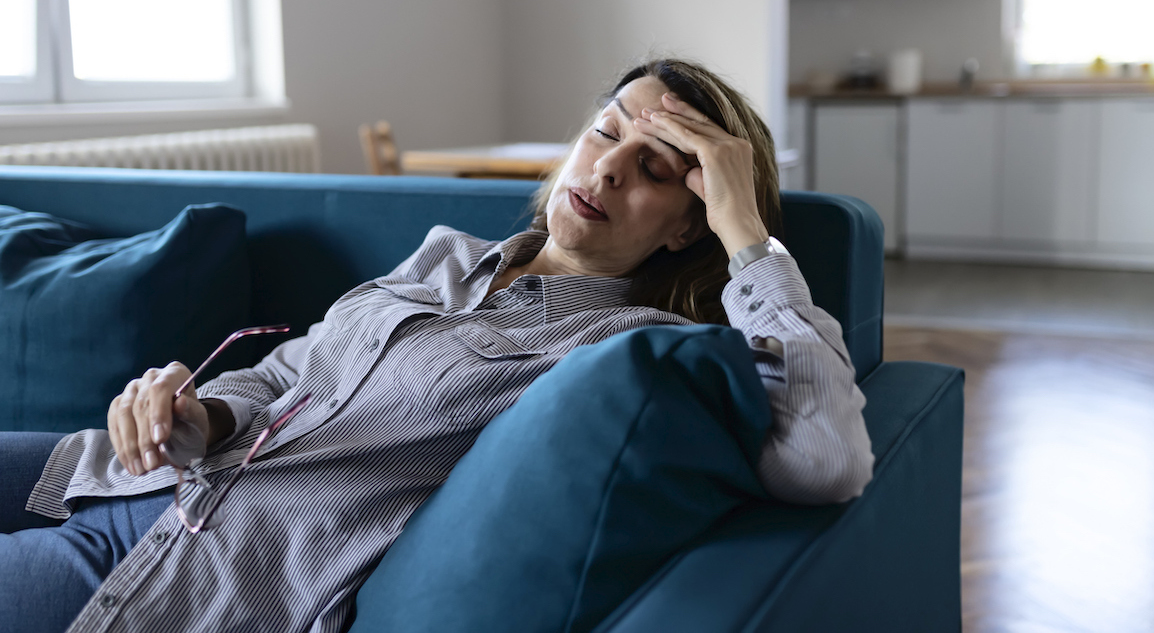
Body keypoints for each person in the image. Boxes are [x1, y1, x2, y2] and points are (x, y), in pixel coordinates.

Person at [0, 58, 874, 632]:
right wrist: (201, 416)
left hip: (202, 562)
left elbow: (827, 457)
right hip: (137, 470)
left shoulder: (625, 344)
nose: (608, 168)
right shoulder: (449, 257)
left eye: (656, 169)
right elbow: (289, 372)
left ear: (690, 225)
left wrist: (749, 235)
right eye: (609, 132)